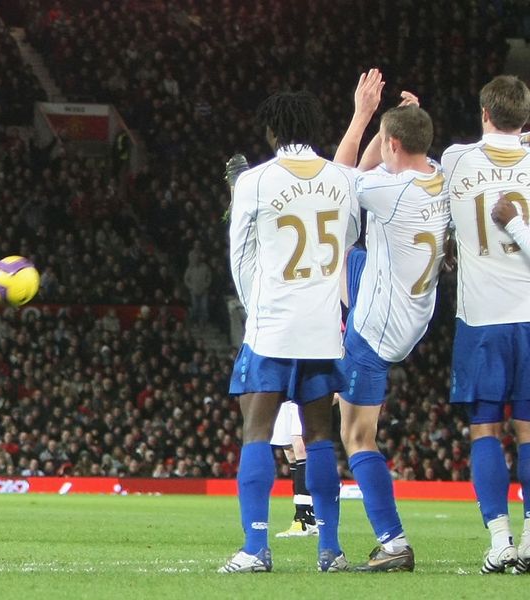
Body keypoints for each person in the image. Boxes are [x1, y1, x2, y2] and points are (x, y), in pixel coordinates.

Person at [218, 70, 380, 574]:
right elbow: (351, 235)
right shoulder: (341, 180)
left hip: (272, 327)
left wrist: (255, 306)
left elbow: (239, 255)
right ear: (314, 125)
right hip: (321, 328)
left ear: (271, 131)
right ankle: (329, 550)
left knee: (257, 431)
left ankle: (255, 548)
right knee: (320, 439)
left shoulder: (255, 180)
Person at [334, 92, 450, 571]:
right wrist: (400, 122)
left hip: (378, 328)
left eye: (384, 142)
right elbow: (377, 170)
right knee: (348, 253)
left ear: (393, 144)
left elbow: (336, 181)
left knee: (356, 435)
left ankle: (394, 542)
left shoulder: (392, 191)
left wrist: (362, 116)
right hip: (412, 307)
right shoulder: (437, 174)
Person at [441, 74, 530, 575]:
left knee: (485, 431)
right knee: (528, 432)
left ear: (483, 114)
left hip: (481, 321)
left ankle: (500, 542)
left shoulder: (457, 160)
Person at [271, 401, 317, 538]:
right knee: (290, 452)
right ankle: (307, 518)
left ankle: (304, 517)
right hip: (282, 396)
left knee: (300, 446)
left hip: (298, 394)